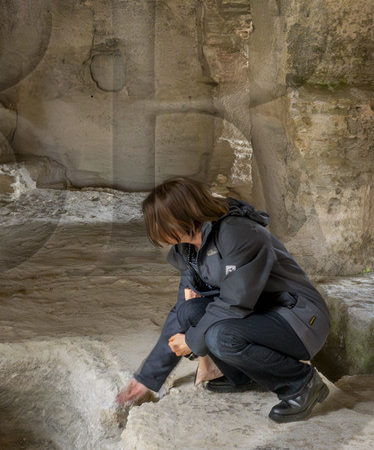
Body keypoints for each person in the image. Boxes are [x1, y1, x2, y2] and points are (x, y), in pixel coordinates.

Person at [116, 177, 332, 423]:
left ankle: (301, 384)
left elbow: (235, 301)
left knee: (220, 336)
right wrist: (147, 378)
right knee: (189, 312)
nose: (157, 233)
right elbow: (181, 312)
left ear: (181, 215)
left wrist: (191, 340)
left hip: (298, 318)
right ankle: (242, 376)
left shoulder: (237, 232)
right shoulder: (188, 250)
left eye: (159, 224)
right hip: (262, 313)